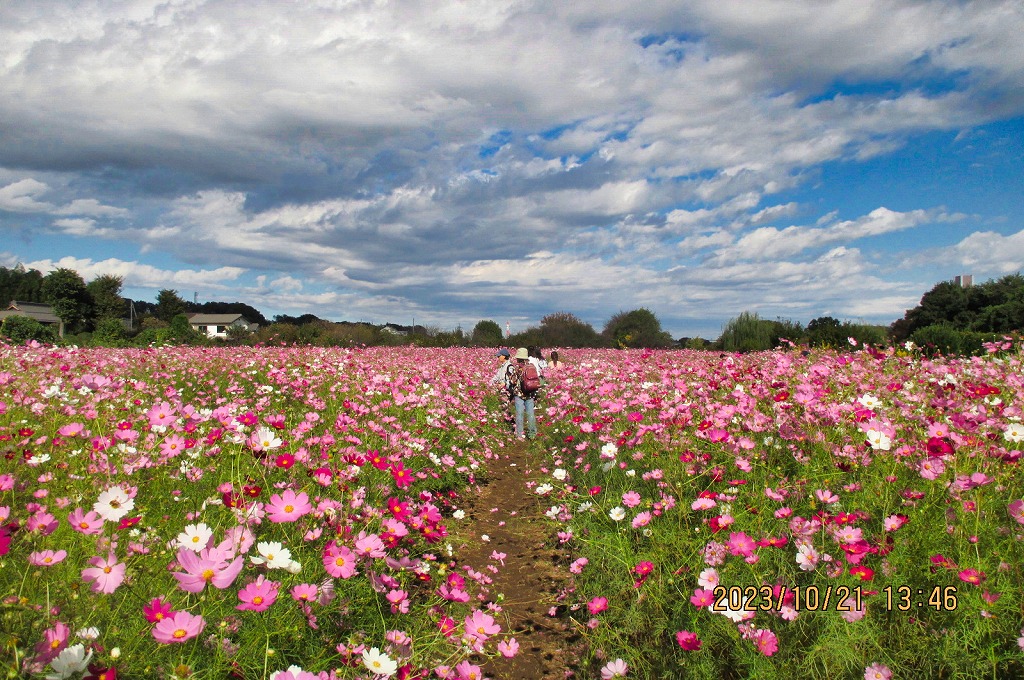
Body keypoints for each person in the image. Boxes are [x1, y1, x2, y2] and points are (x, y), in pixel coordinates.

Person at [510, 347, 540, 440]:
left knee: (519, 413)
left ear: (518, 358)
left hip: (519, 394)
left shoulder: (517, 367)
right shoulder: (532, 366)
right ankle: (532, 434)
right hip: (530, 393)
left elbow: (513, 381)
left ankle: (519, 434)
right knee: (530, 413)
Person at [491, 348, 515, 428]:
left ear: (504, 356)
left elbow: (512, 379)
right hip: (502, 390)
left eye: (499, 356)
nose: (498, 357)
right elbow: (497, 376)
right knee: (503, 407)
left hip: (507, 390)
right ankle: (507, 424)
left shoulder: (510, 366)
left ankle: (511, 425)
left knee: (505, 407)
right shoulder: (502, 367)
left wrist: (504, 383)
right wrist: (489, 383)